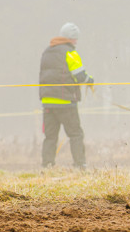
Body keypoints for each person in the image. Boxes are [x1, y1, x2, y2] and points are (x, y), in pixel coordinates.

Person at [39, 23, 93, 168]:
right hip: (66, 101)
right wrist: (90, 81)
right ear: (71, 39)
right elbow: (80, 76)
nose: (76, 42)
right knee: (75, 134)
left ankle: (47, 166)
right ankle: (80, 165)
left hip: (47, 102)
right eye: (75, 39)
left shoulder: (46, 52)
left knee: (50, 137)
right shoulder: (70, 53)